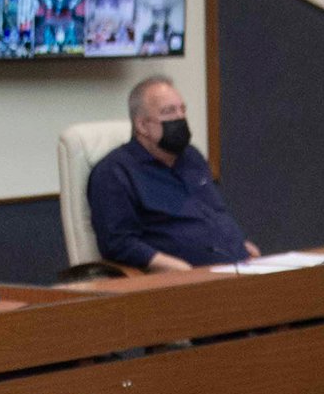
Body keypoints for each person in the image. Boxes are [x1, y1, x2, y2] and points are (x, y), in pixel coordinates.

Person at [85, 77, 257, 271]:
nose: (180, 118)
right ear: (142, 126)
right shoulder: (114, 172)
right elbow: (118, 243)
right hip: (182, 280)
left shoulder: (192, 157)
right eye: (169, 112)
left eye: (182, 110)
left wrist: (239, 243)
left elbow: (215, 213)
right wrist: (173, 266)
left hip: (238, 268)